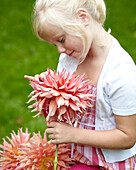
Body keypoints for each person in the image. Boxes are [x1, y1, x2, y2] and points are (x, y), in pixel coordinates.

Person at [33, 0, 136, 169]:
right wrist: (49, 91)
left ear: (83, 18)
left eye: (61, 39)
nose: (60, 50)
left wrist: (72, 134)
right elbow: (65, 108)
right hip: (73, 155)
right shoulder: (69, 59)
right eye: (55, 44)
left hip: (107, 164)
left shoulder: (121, 72)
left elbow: (128, 136)